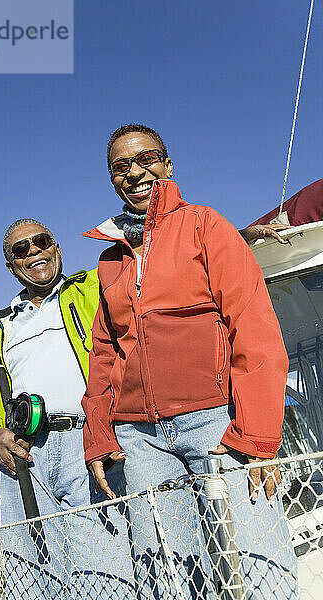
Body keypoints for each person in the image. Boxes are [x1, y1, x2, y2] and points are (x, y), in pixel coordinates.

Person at [81, 124, 298, 599]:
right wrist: (99, 434)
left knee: (259, 557)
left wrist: (258, 434)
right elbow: (103, 354)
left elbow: (254, 323)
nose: (135, 172)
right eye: (121, 165)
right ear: (111, 177)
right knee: (167, 572)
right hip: (140, 441)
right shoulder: (109, 260)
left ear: (168, 164)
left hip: (216, 423)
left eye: (147, 158)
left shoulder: (205, 224)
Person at [0, 219, 134, 600]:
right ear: (11, 266)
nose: (34, 250)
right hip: (20, 461)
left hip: (87, 444)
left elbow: (153, 263)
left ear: (57, 247)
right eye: (20, 249)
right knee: (30, 582)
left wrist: (239, 237)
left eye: (41, 242)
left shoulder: (93, 287)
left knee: (105, 574)